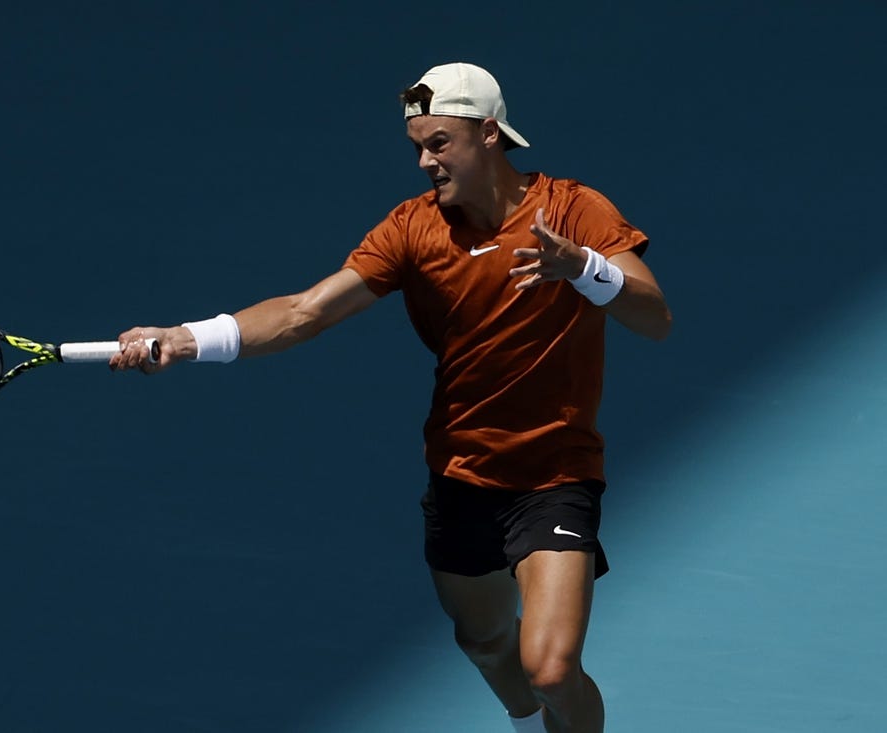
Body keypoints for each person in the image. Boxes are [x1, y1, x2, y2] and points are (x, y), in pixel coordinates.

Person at [110, 62, 671, 733]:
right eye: (417, 148)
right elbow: (301, 312)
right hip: (462, 474)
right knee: (487, 642)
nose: (424, 161)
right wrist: (185, 338)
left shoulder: (575, 210)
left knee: (550, 667)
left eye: (438, 143)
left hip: (555, 475)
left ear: (488, 134)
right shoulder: (412, 229)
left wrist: (583, 266)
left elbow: (654, 317)